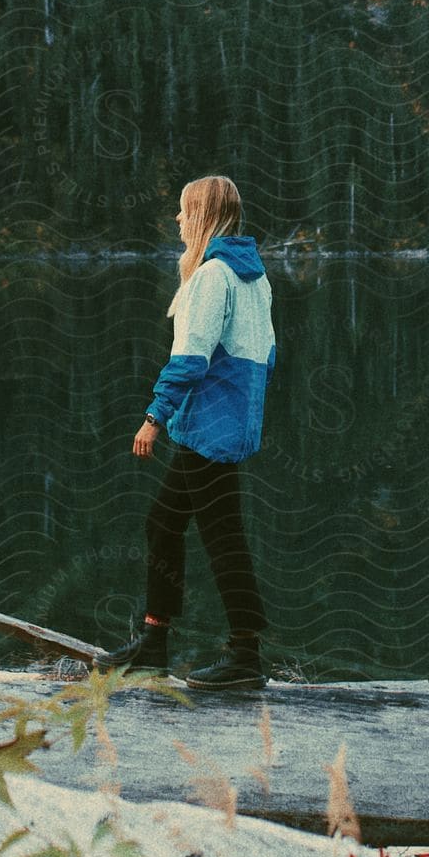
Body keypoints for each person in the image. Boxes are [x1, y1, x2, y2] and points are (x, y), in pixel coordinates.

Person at [95, 174, 276, 690]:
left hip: (207, 430)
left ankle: (245, 656)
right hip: (222, 426)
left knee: (223, 539)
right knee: (164, 522)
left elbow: (190, 359)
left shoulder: (213, 276)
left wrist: (154, 418)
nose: (177, 219)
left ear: (203, 216)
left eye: (184, 210)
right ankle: (155, 643)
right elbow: (268, 354)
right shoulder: (254, 277)